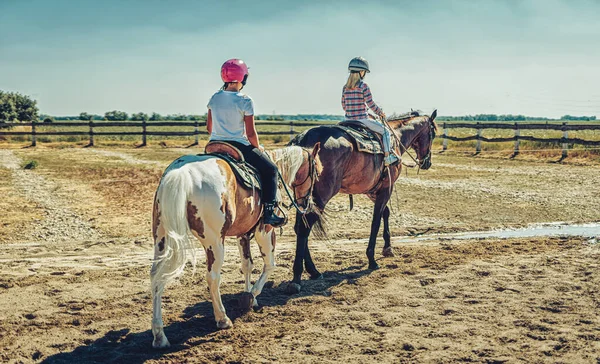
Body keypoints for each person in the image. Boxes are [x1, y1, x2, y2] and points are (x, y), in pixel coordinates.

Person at [206, 58, 285, 227]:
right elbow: (250, 133)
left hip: (214, 144)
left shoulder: (214, 97)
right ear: (243, 78)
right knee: (271, 169)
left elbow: (209, 127)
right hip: (238, 145)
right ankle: (269, 212)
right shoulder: (245, 100)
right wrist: (258, 147)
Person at [341, 57, 399, 166]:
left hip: (347, 120)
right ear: (361, 72)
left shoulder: (345, 87)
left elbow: (344, 105)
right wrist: (380, 113)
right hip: (362, 120)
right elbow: (370, 103)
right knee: (386, 132)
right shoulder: (363, 86)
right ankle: (387, 157)